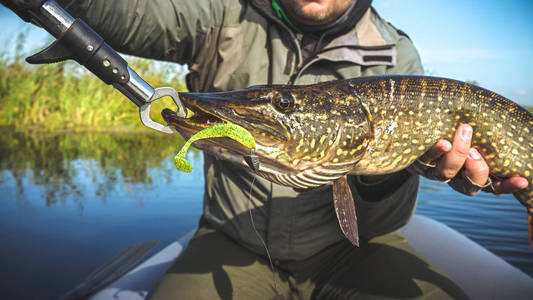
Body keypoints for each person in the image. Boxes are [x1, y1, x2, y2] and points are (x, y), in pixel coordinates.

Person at [2, 0, 528, 299]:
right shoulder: (222, 13)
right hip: (233, 242)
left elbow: (381, 220)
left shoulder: (397, 52)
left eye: (281, 105)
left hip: (352, 250)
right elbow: (125, 12)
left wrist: (379, 175)